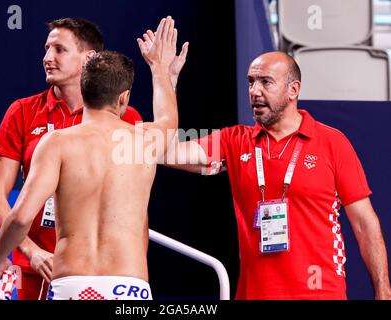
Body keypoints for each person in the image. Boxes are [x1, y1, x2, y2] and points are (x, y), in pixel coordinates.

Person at [166, 51, 391, 299]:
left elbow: (365, 224)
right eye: (251, 81)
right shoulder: (234, 141)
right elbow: (171, 152)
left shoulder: (332, 143)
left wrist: (383, 291)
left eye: (266, 82)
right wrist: (166, 80)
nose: (254, 91)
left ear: (293, 90)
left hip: (319, 293)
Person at [0, 16, 181, 300]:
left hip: (71, 283)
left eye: (59, 49)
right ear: (123, 98)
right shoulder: (143, 137)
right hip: (130, 286)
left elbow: (19, 219)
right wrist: (161, 70)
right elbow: (168, 118)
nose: (48, 58)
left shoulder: (54, 143)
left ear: (85, 81)